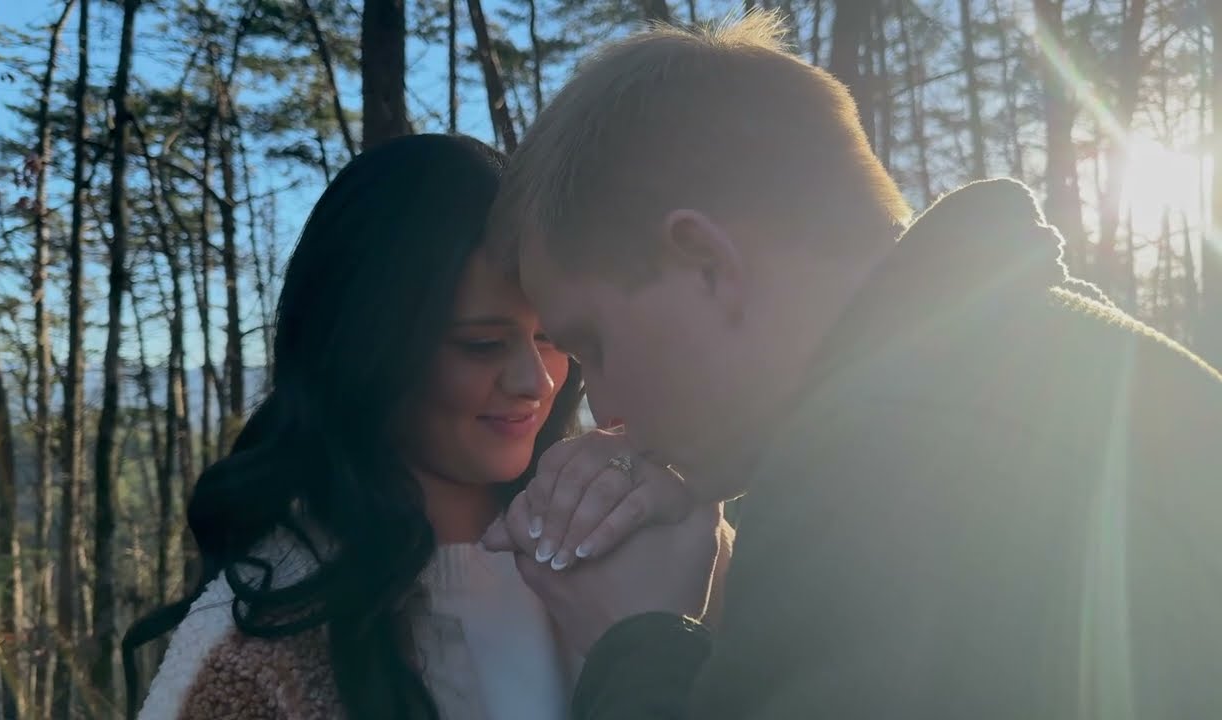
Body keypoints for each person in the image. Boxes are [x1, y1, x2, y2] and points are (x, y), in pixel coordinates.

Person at [481, 12, 1222, 719]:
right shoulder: (1063, 372)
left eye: (592, 349)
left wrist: (638, 641)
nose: (603, 408)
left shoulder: (891, 468)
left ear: (707, 264)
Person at [124, 134, 682, 720]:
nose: (537, 381)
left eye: (552, 338)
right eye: (482, 344)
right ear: (366, 347)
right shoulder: (258, 644)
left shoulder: (613, 540)